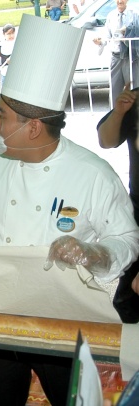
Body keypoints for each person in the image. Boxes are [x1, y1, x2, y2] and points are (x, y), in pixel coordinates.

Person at [0, 15, 139, 405]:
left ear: (33, 127)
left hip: (63, 320)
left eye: (2, 116)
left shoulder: (93, 174)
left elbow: (127, 239)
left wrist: (93, 253)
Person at [96, 86, 139, 323]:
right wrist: (120, 112)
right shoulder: (135, 99)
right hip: (137, 207)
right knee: (126, 299)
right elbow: (106, 140)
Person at [93, 0, 139, 107]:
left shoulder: (135, 14)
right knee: (115, 93)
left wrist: (128, 32)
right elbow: (107, 36)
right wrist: (100, 42)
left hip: (131, 58)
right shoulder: (111, 16)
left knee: (134, 92)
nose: (119, 1)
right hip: (116, 57)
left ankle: (134, 116)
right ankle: (114, 116)